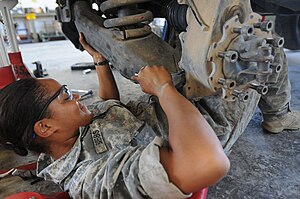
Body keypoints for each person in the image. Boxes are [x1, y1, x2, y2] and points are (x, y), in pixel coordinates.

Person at [0, 33, 230, 199]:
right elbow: (207, 162)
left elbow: (110, 110)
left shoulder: (67, 137)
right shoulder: (92, 180)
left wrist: (100, 61)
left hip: (180, 103)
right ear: (45, 127)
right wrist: (163, 89)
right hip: (208, 119)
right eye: (66, 96)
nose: (77, 98)